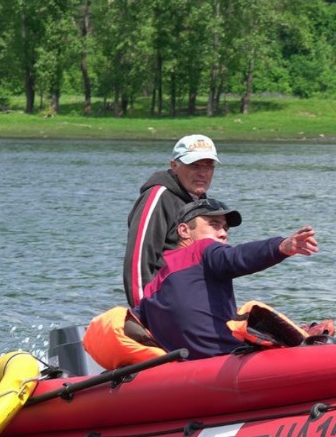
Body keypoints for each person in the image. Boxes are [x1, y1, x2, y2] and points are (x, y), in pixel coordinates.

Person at [133, 197, 318, 360]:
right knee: (319, 337)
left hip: (186, 373)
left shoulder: (152, 288)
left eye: (225, 228)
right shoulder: (202, 250)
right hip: (225, 361)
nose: (223, 233)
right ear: (184, 230)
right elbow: (236, 257)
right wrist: (280, 246)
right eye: (214, 224)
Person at [122, 134, 220, 307]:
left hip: (191, 307)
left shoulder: (203, 204)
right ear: (174, 165)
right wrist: (143, 314)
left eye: (208, 166)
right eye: (195, 165)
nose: (202, 173)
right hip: (163, 308)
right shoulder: (158, 197)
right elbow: (138, 260)